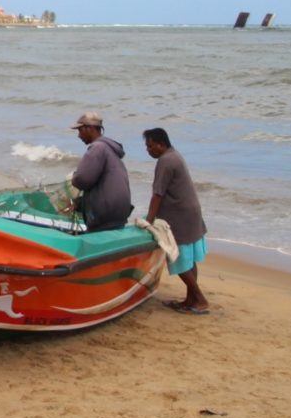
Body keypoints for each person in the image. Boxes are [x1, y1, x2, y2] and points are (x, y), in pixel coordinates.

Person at [143, 128, 210, 314]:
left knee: (177, 258)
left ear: (160, 144)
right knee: (189, 259)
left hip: (180, 216)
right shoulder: (175, 155)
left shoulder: (165, 161)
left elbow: (158, 194)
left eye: (149, 146)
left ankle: (200, 299)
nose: (148, 150)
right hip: (191, 212)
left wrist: (149, 220)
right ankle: (191, 299)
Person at [70, 111, 132, 231]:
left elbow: (83, 180)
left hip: (106, 217)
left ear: (90, 129)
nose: (78, 135)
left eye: (80, 130)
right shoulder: (110, 149)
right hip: (120, 214)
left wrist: (74, 178)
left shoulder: (97, 148)